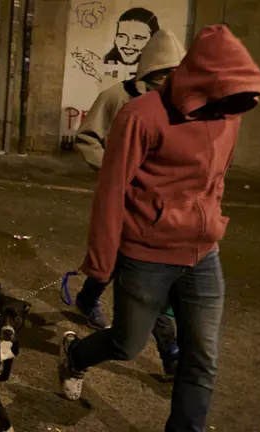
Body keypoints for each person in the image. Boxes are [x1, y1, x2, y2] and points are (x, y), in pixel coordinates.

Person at [58, 24, 260, 432]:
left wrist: (210, 220)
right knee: (126, 344)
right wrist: (100, 264)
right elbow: (110, 191)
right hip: (145, 253)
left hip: (204, 256)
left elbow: (216, 179)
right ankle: (76, 355)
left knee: (201, 360)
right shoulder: (138, 114)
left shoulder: (230, 115)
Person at [74, 29, 186, 377]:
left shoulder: (181, 104)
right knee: (122, 264)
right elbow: (87, 137)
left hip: (161, 209)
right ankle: (91, 298)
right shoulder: (117, 97)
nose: (170, 81)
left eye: (176, 73)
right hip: (122, 201)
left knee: (145, 276)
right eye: (164, 74)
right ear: (148, 72)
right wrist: (115, 171)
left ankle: (170, 350)